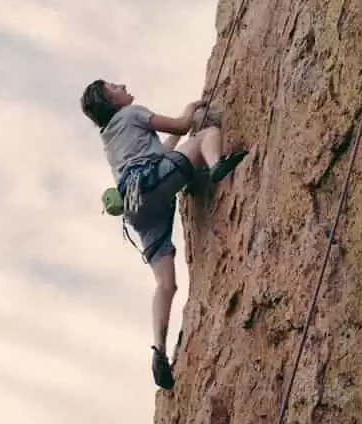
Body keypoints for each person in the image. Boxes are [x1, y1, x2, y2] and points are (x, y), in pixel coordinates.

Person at [80, 79, 248, 390]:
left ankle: (159, 350)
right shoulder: (132, 114)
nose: (123, 84)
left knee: (165, 283)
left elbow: (163, 155)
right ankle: (217, 167)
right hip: (150, 186)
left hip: (136, 206)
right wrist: (191, 110)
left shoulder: (110, 137)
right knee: (208, 135)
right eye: (114, 86)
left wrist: (181, 139)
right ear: (111, 101)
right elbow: (184, 127)